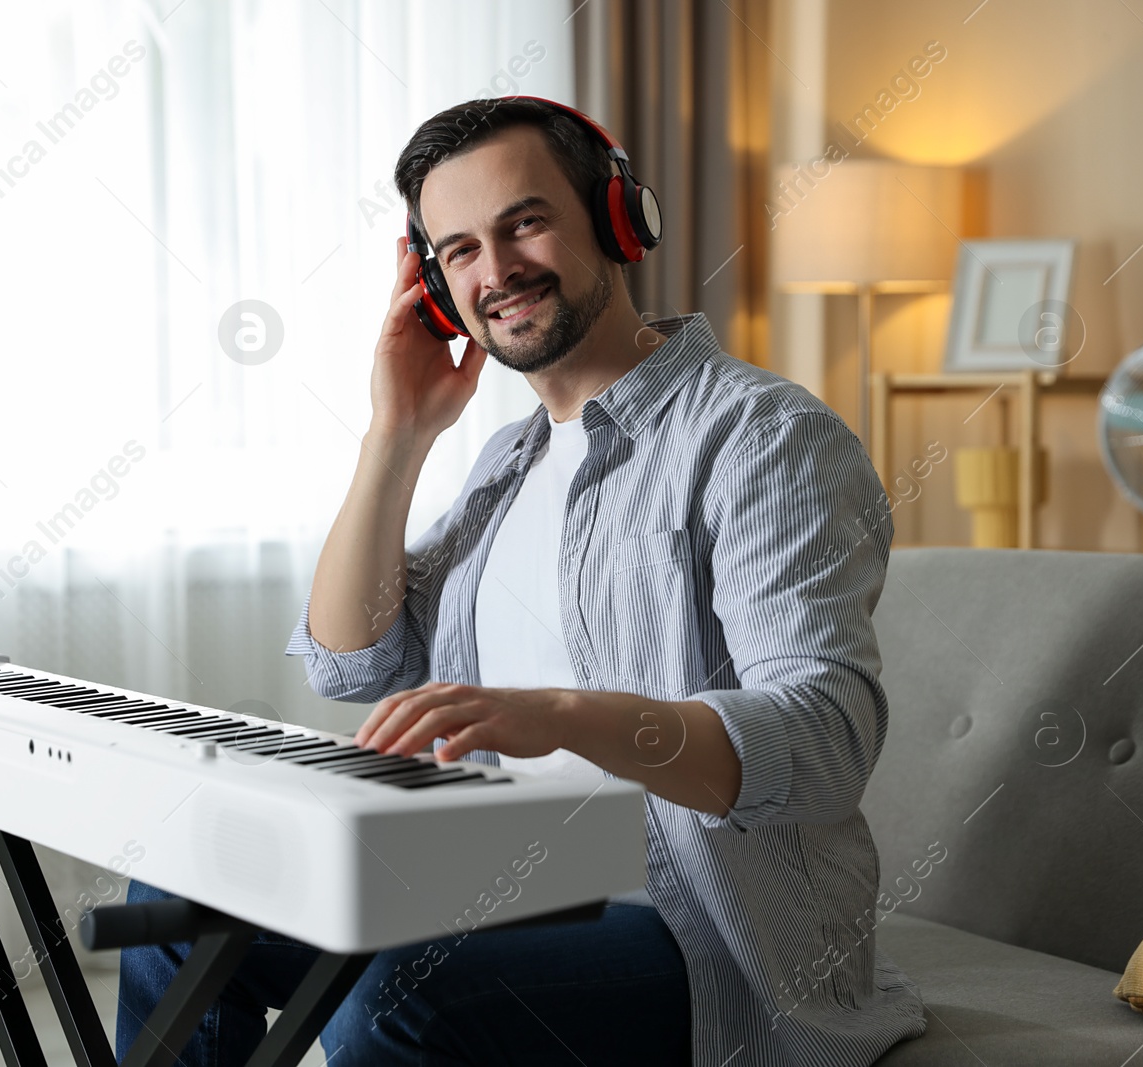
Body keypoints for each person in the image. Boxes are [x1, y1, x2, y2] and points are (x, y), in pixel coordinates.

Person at [117, 95, 927, 1067]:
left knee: (398, 992)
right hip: (508, 879)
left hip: (695, 926)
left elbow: (826, 738)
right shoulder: (506, 459)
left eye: (524, 223)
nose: (494, 272)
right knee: (178, 903)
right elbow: (351, 659)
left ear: (618, 219)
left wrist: (559, 712)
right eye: (457, 249)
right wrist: (398, 432)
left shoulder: (761, 436)